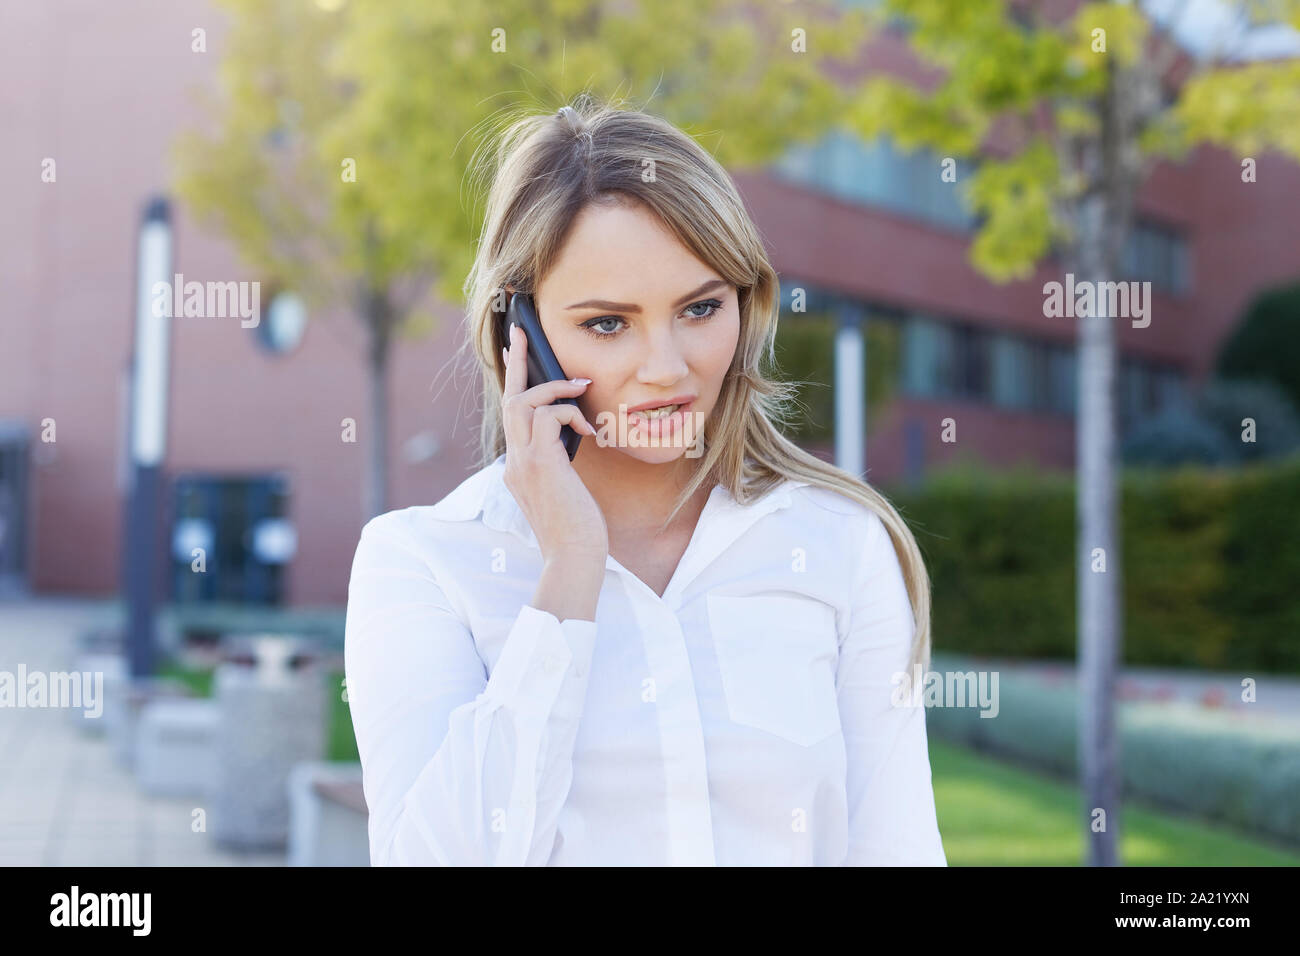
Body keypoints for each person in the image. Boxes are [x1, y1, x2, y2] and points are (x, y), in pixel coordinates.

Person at [344, 94, 946, 866]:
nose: (667, 369)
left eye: (700, 308)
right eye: (607, 323)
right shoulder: (424, 564)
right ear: (517, 335)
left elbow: (897, 849)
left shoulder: (840, 545)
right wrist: (569, 569)